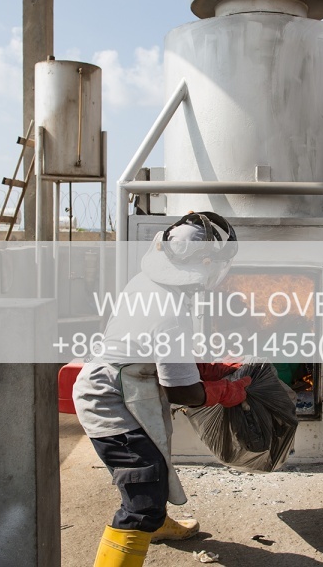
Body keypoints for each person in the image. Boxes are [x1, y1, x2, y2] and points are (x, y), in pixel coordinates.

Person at [73, 211, 252, 567]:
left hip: (122, 390)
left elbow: (151, 349)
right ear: (208, 264)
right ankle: (148, 521)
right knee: (143, 497)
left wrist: (207, 368)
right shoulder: (171, 310)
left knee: (151, 470)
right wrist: (224, 391)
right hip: (110, 404)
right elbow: (182, 393)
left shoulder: (147, 282)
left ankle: (155, 524)